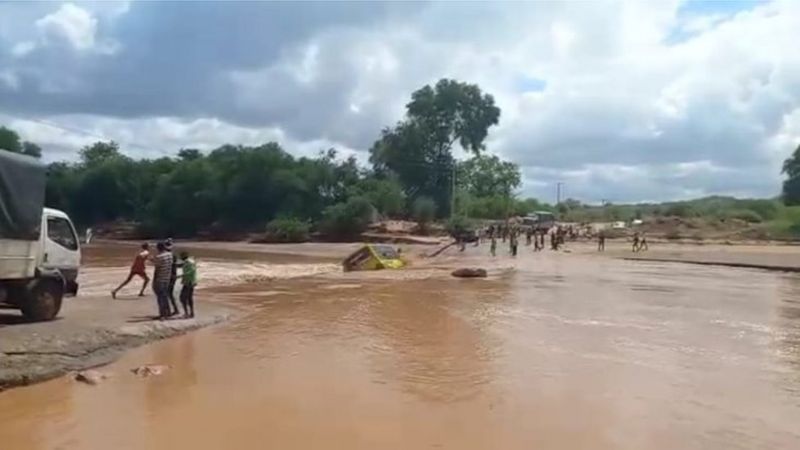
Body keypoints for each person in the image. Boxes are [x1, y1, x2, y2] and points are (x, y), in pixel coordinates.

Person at [152, 242, 174, 320]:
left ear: (158, 248)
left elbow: (157, 269)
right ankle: (168, 312)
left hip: (160, 279)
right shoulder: (170, 255)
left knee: (160, 297)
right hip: (167, 278)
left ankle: (162, 315)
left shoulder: (159, 257)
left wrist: (154, 281)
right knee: (164, 296)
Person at [177, 251, 197, 318]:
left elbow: (191, 271)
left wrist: (180, 276)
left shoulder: (188, 262)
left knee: (182, 298)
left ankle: (187, 313)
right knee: (189, 298)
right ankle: (191, 313)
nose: (180, 258)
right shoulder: (190, 261)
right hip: (191, 281)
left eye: (181, 257)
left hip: (189, 282)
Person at [165, 238, 180, 316]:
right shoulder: (173, 255)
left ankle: (173, 310)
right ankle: (174, 309)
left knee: (168, 293)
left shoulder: (169, 255)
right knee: (169, 293)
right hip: (172, 275)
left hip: (170, 276)